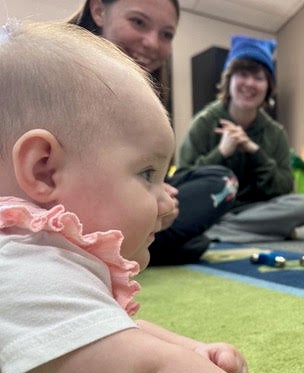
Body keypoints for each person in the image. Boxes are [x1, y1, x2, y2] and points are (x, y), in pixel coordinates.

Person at [0, 20, 304, 373]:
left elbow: (111, 329)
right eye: (147, 174)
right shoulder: (23, 268)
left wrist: (190, 351)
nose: (165, 200)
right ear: (43, 170)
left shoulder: (49, 270)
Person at [69, 0, 239, 265]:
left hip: (139, 199)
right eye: (138, 22)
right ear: (99, 10)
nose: (151, 42)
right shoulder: (59, 78)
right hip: (81, 206)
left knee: (221, 180)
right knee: (194, 236)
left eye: (166, 34)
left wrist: (154, 188)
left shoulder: (147, 94)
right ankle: (136, 245)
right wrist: (147, 194)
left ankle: (139, 242)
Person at [178, 34, 304, 243]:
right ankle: (267, 232)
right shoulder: (204, 122)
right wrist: (222, 152)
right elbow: (182, 184)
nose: (250, 84)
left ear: (268, 87)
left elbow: (284, 187)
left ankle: (215, 232)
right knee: (178, 210)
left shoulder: (275, 132)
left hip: (256, 210)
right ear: (229, 80)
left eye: (259, 78)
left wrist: (254, 151)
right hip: (213, 208)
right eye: (243, 74)